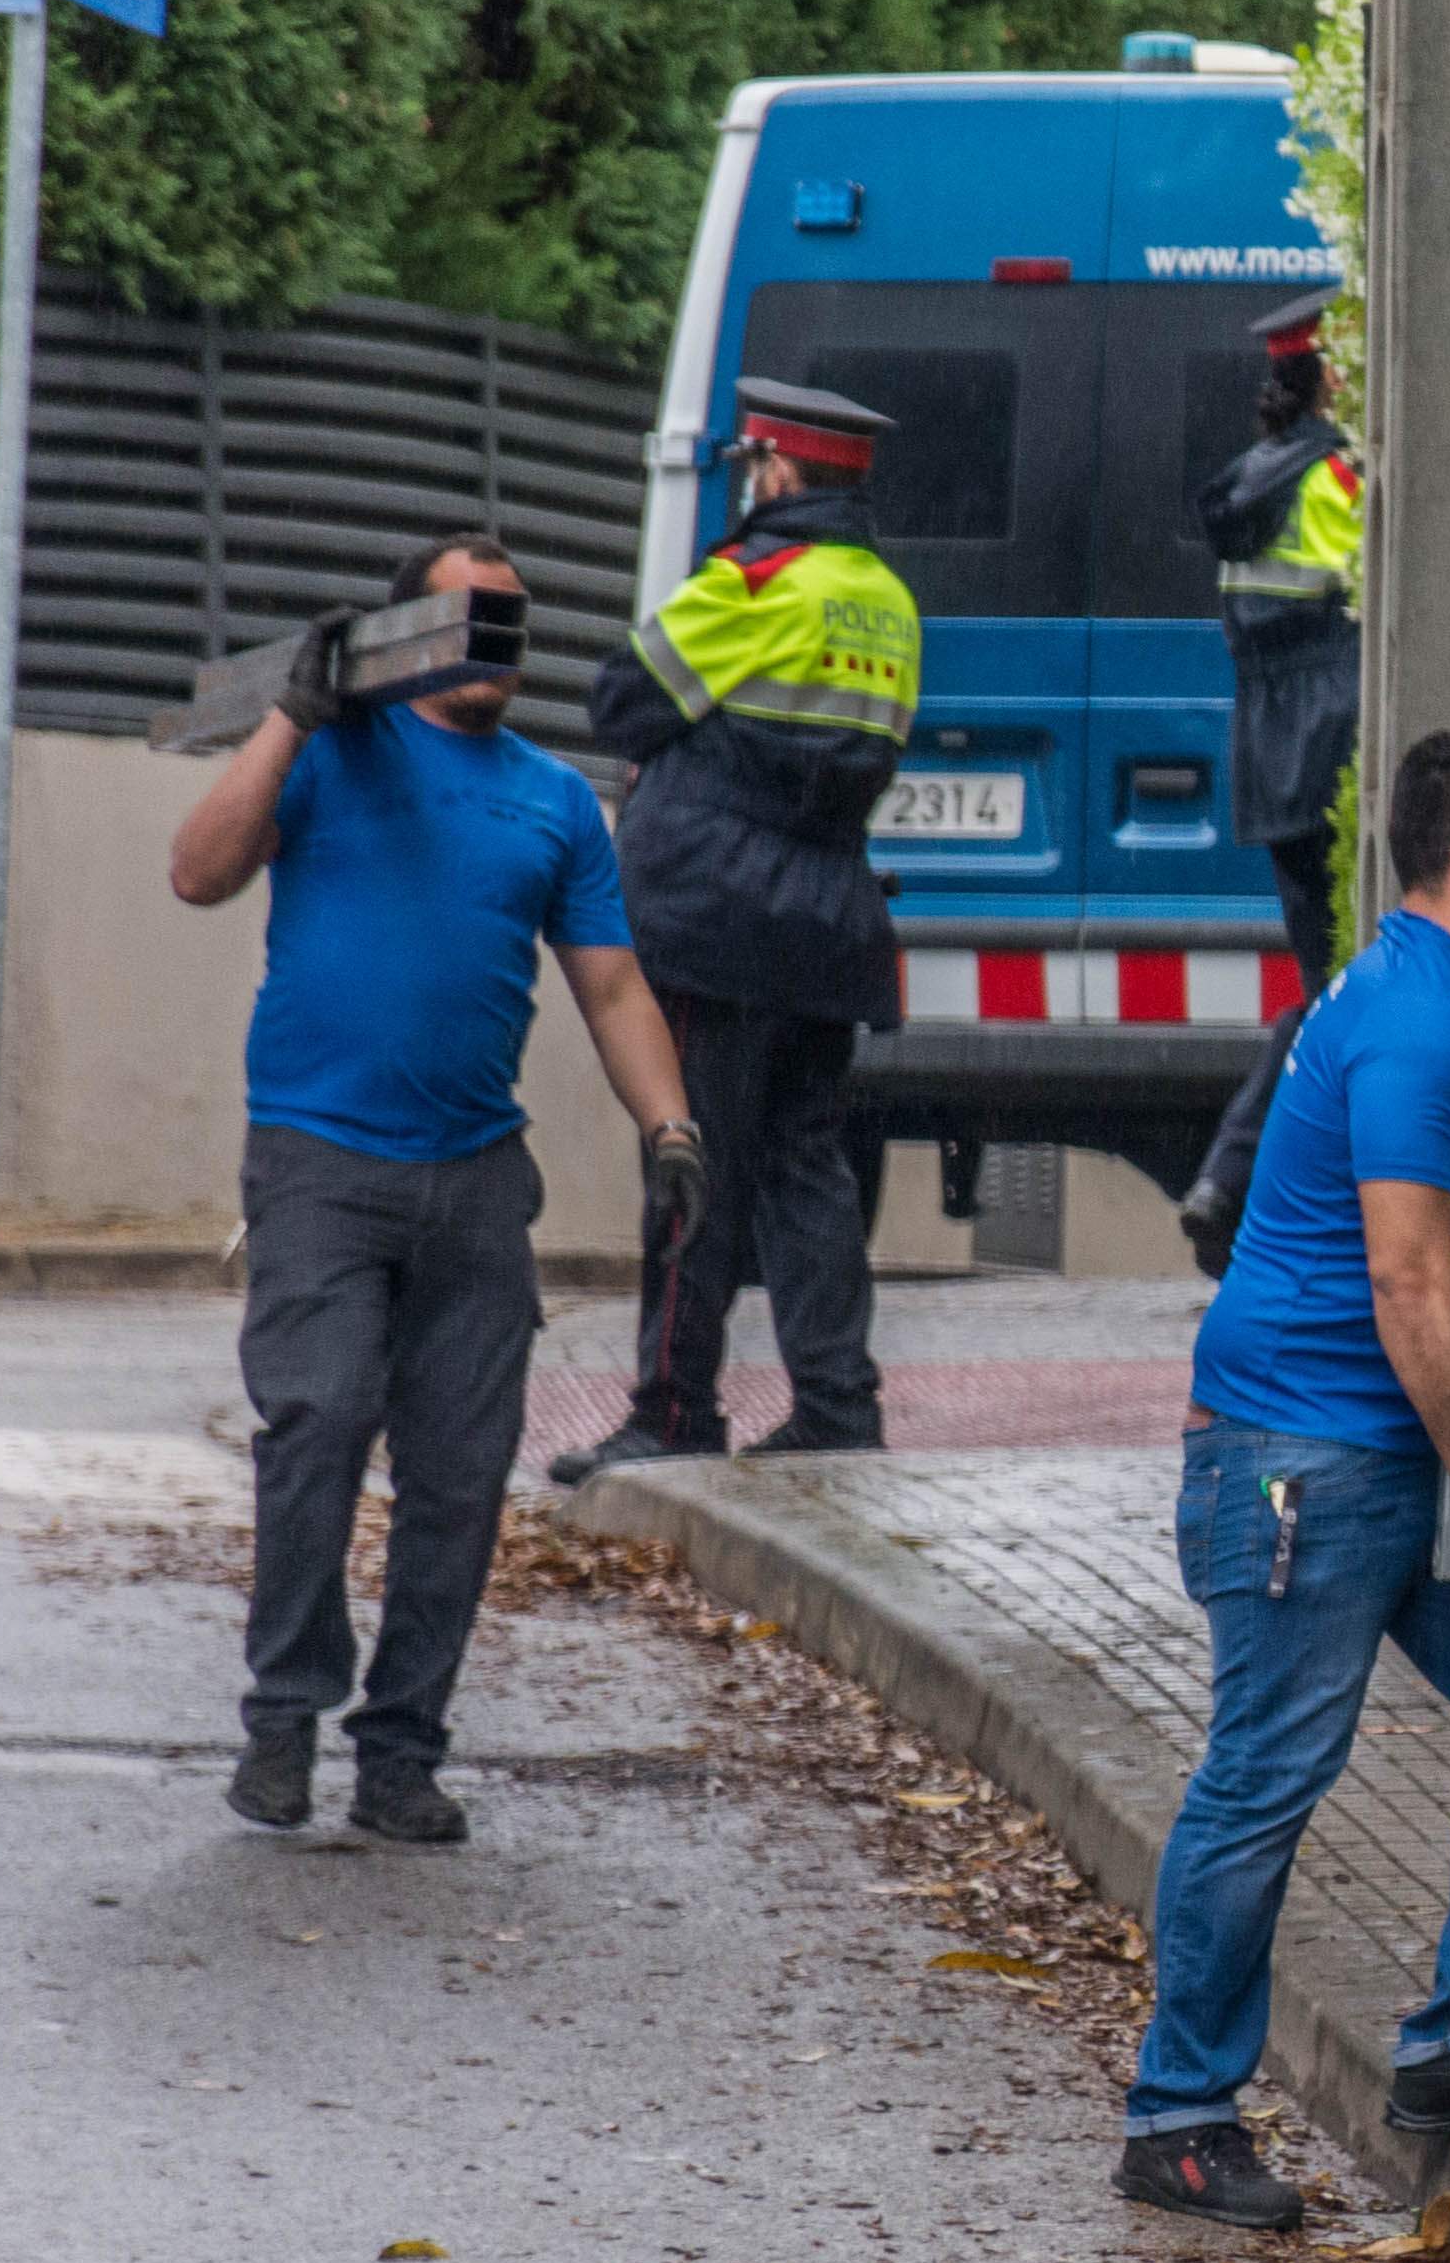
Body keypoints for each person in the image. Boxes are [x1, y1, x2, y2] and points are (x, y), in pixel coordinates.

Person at [1118, 728, 1450, 2232]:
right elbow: (1411, 1275)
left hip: (1375, 1452)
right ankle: (1177, 2115)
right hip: (1305, 1458)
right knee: (1268, 1771)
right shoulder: (1414, 1019)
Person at [165, 531, 706, 1844]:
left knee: (461, 1473)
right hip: (319, 1164)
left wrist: (671, 1126)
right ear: (409, 633)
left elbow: (613, 983)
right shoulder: (333, 752)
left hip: (474, 1181)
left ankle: (401, 1752)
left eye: (512, 621)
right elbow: (197, 869)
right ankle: (282, 1719)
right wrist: (298, 714)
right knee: (320, 1415)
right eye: (469, 618)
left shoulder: (554, 802)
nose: (494, 643)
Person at [553, 379, 922, 1483]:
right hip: (825, 927)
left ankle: (673, 1410)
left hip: (717, 920)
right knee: (807, 1169)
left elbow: (621, 697)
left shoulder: (756, 580)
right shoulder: (888, 601)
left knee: (691, 1159)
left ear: (779, 470)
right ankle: (836, 1404)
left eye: (758, 465)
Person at [1199, 291, 1363, 970]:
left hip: (1269, 741)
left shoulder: (1249, 475)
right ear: (1329, 377)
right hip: (1332, 727)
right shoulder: (1332, 477)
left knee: (1313, 951)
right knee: (1348, 962)